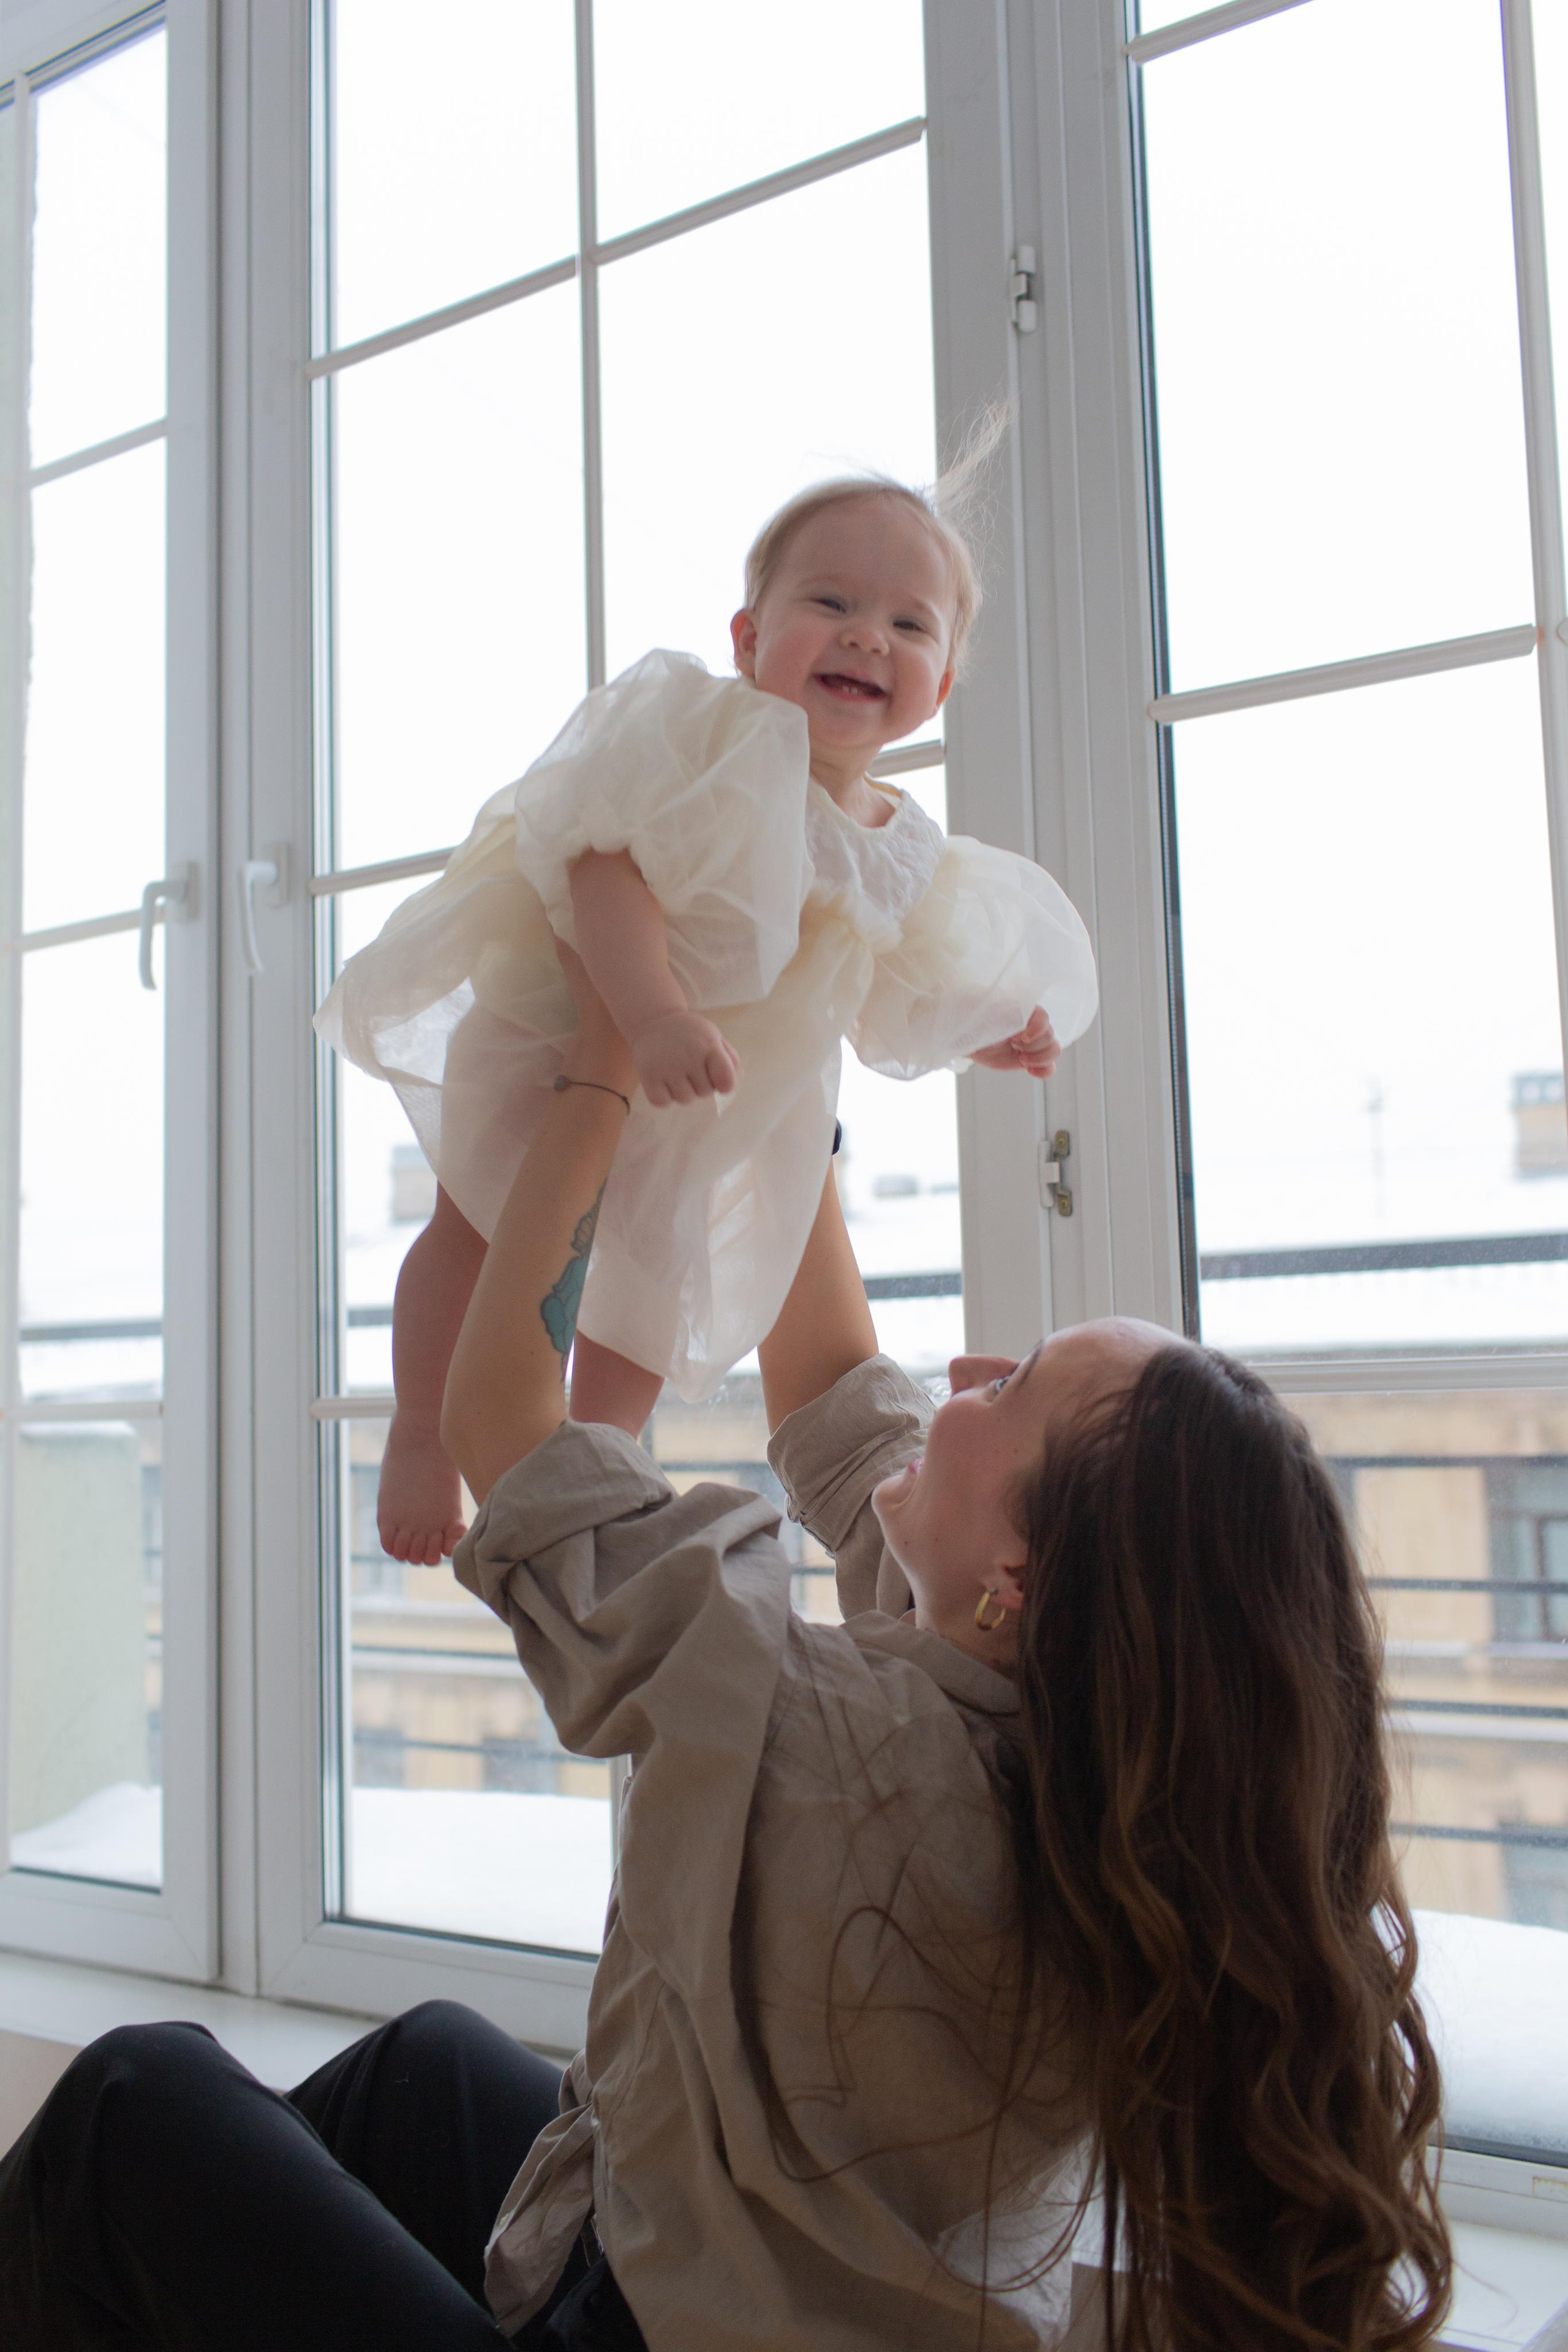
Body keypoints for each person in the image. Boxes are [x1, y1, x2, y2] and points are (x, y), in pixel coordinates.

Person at [0, 952, 1451, 2351]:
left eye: (1006, 1384)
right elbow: (832, 1386)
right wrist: (790, 1020)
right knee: (428, 2069)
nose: (958, 1371)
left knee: (138, 2101)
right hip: (750, 2297)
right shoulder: (1063, 1739)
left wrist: (602, 1063)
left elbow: (507, 1414)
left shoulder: (794, 1712)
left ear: (1016, 1576)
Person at [316, 447, 1099, 1566]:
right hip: (575, 1035)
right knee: (477, 1229)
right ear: (746, 639)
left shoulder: (902, 842)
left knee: (644, 1307)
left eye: (910, 625)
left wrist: (987, 1031)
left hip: (718, 1108)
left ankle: (575, 1499)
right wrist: (650, 1016)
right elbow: (601, 870)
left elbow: (886, 985)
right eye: (830, 603)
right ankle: (421, 1435)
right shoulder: (715, 744)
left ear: (946, 682)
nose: (868, 635)